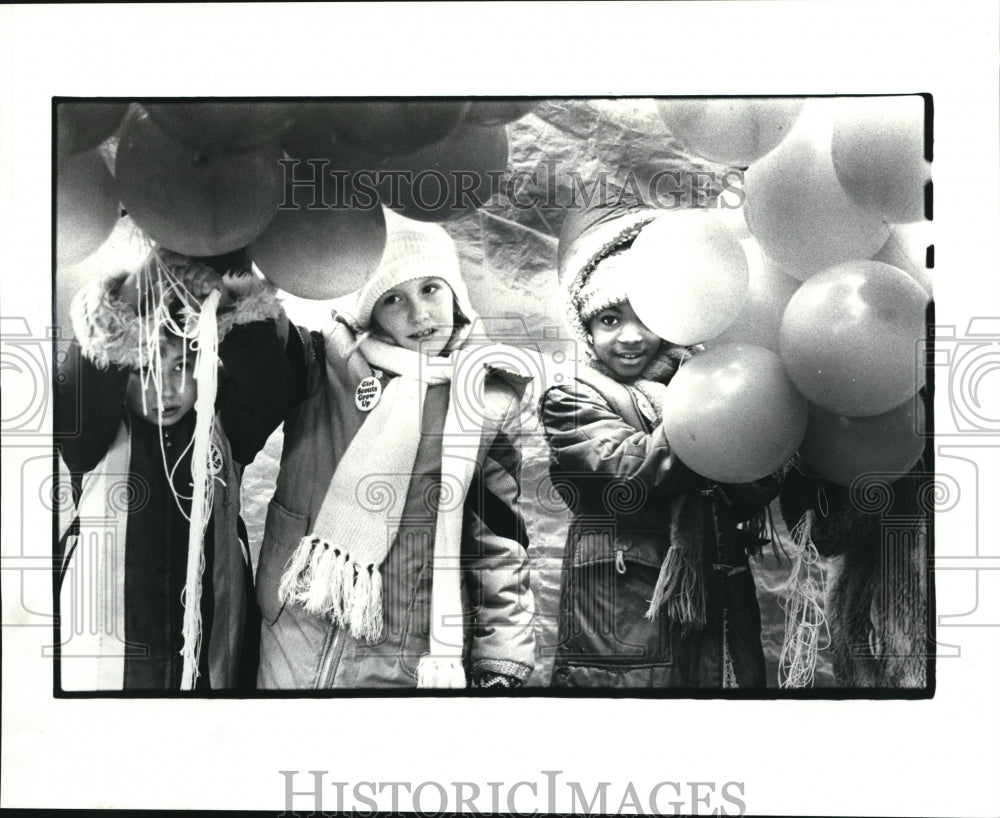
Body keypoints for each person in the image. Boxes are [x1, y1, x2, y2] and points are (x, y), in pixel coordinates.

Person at [255, 209, 535, 689]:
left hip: (404, 645)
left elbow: (498, 542)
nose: (419, 313)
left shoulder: (486, 399)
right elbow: (255, 340)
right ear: (368, 312)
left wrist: (501, 655)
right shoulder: (323, 362)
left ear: (455, 292)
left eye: (430, 288)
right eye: (393, 299)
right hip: (295, 630)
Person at [541, 198, 776, 688]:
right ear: (583, 326)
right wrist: (711, 414)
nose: (630, 337)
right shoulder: (574, 393)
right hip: (624, 612)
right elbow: (623, 474)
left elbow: (749, 484)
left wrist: (764, 437)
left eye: (644, 317)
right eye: (609, 319)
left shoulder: (701, 377)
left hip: (717, 603)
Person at [55, 251, 297, 691]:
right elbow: (79, 384)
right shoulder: (93, 436)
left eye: (181, 366)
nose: (163, 389)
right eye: (143, 370)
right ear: (118, 370)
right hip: (107, 655)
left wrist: (225, 308)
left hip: (211, 647)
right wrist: (127, 301)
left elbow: (271, 387)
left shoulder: (226, 424)